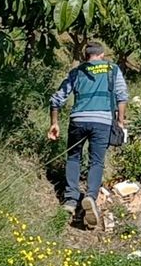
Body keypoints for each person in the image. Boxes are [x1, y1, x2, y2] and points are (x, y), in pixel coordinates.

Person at [47, 41, 128, 229]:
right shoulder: (112, 69)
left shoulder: (77, 71)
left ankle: (70, 200)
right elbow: (122, 96)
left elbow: (57, 98)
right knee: (96, 161)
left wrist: (54, 123)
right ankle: (90, 196)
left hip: (78, 120)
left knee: (74, 158)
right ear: (102, 54)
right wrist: (120, 121)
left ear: (86, 56)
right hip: (102, 121)